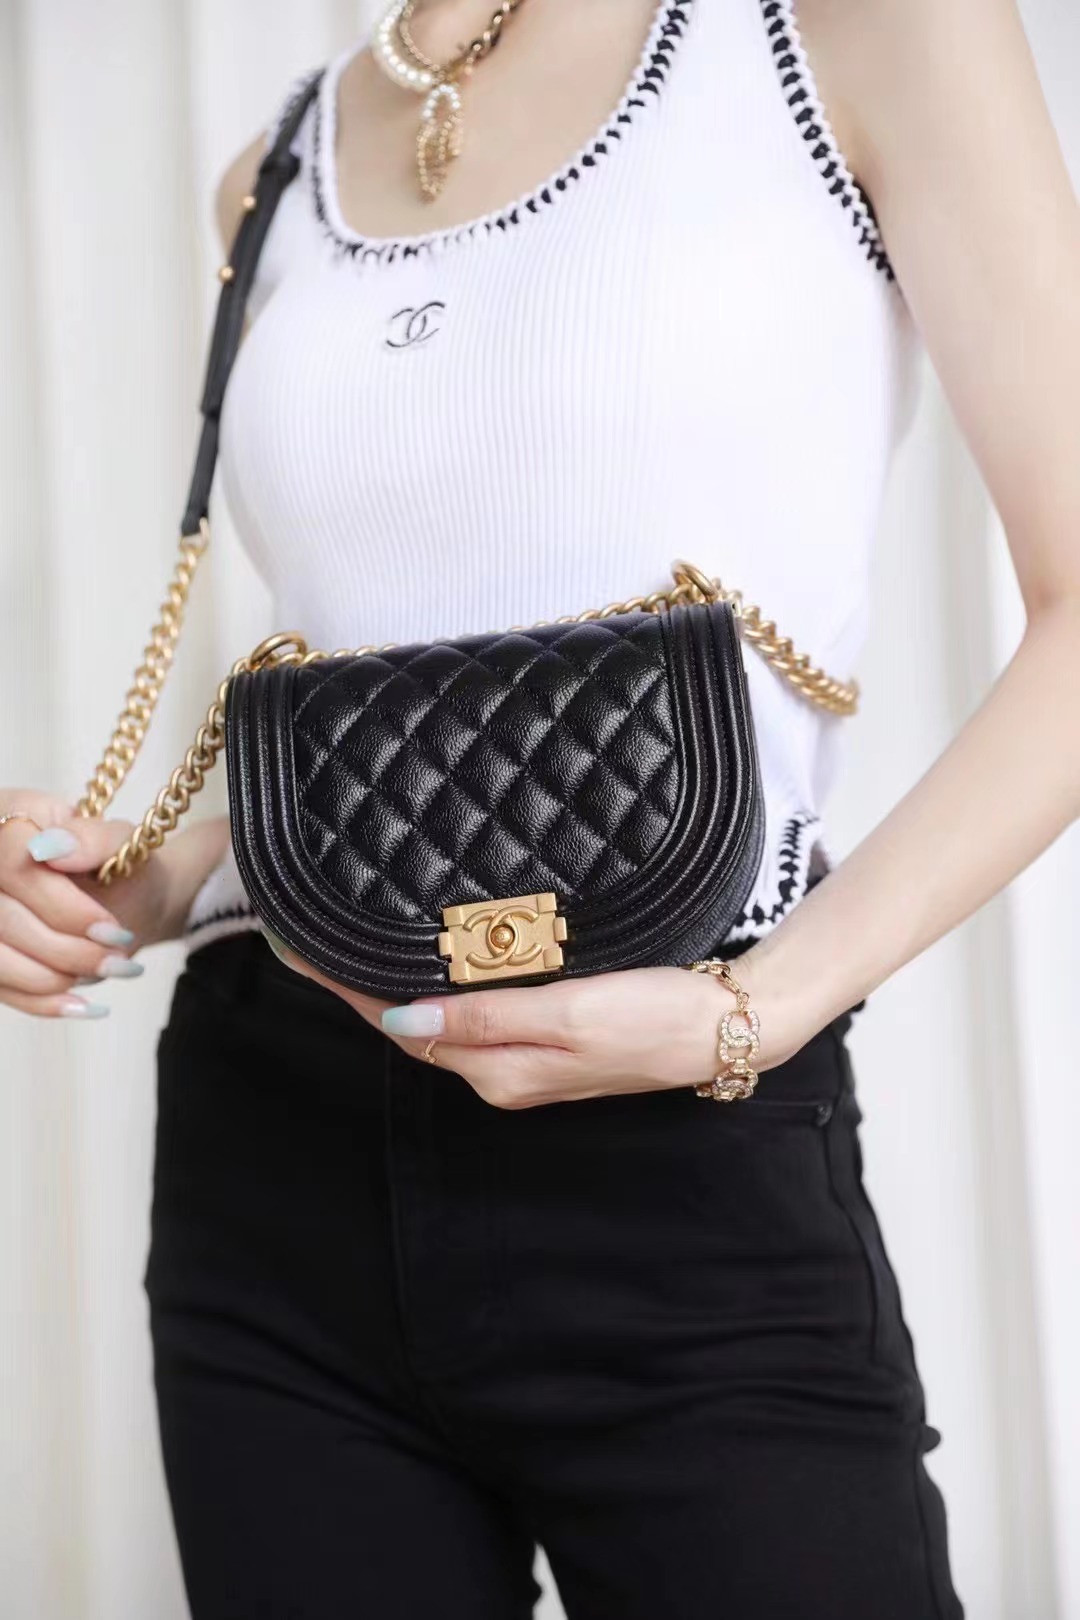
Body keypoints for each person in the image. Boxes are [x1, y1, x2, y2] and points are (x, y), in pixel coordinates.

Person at [3, 1, 1078, 1614]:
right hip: (275, 1160)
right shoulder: (274, 170)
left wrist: (752, 1012)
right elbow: (406, 742)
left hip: (689, 1127)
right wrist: (140, 882)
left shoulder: (851, 33)